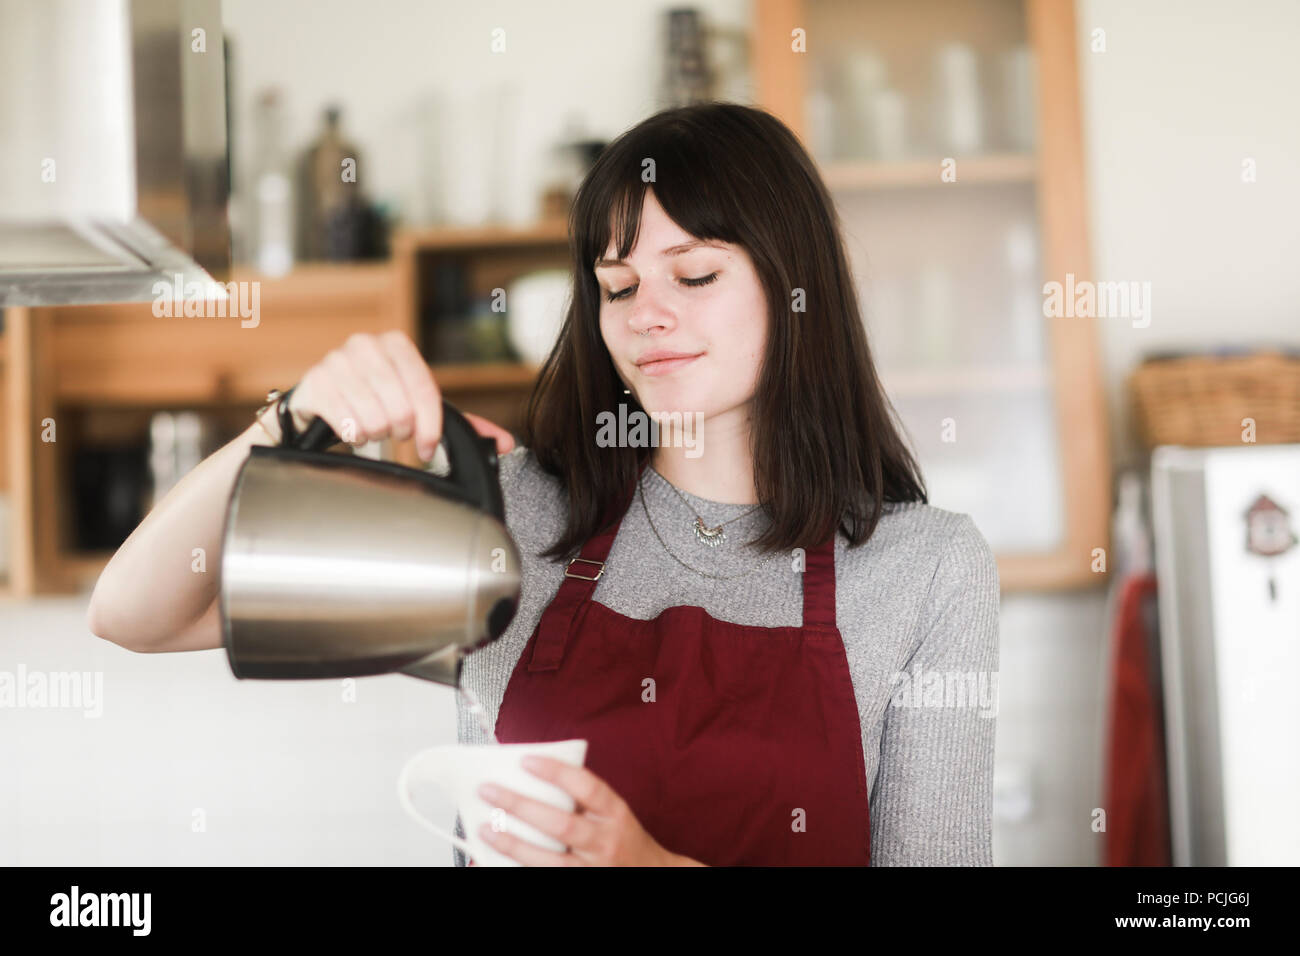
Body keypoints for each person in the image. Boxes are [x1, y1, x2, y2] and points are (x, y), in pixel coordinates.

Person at [88, 102, 999, 867]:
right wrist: (288, 420)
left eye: (695, 273)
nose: (648, 314)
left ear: (796, 286)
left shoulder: (923, 569)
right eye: (616, 285)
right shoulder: (521, 513)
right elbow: (138, 612)